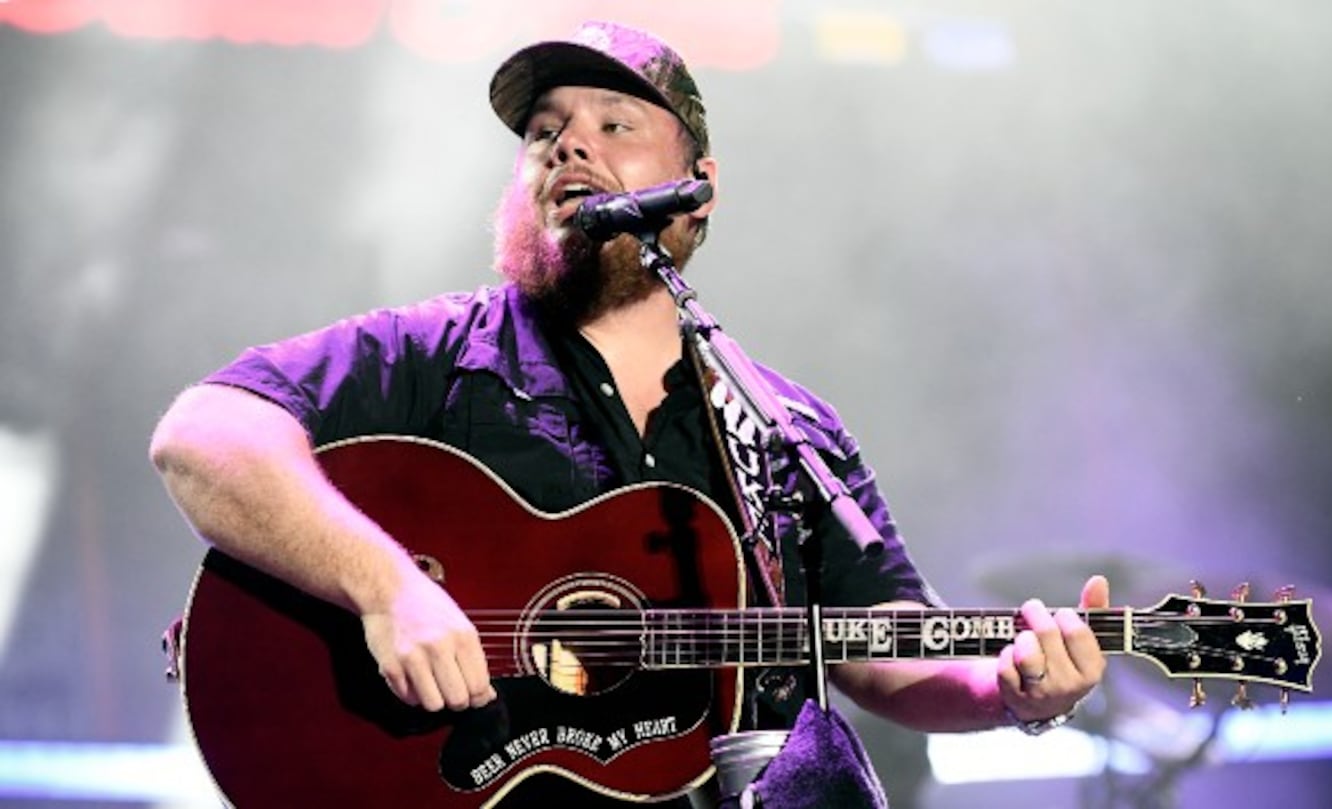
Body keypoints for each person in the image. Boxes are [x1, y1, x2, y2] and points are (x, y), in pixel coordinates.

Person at [150, 20, 1108, 807]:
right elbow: (203, 435)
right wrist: (388, 589)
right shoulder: (434, 354)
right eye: (544, 133)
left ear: (699, 191)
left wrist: (1014, 691)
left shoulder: (784, 426)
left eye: (615, 125)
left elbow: (881, 647)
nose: (569, 145)